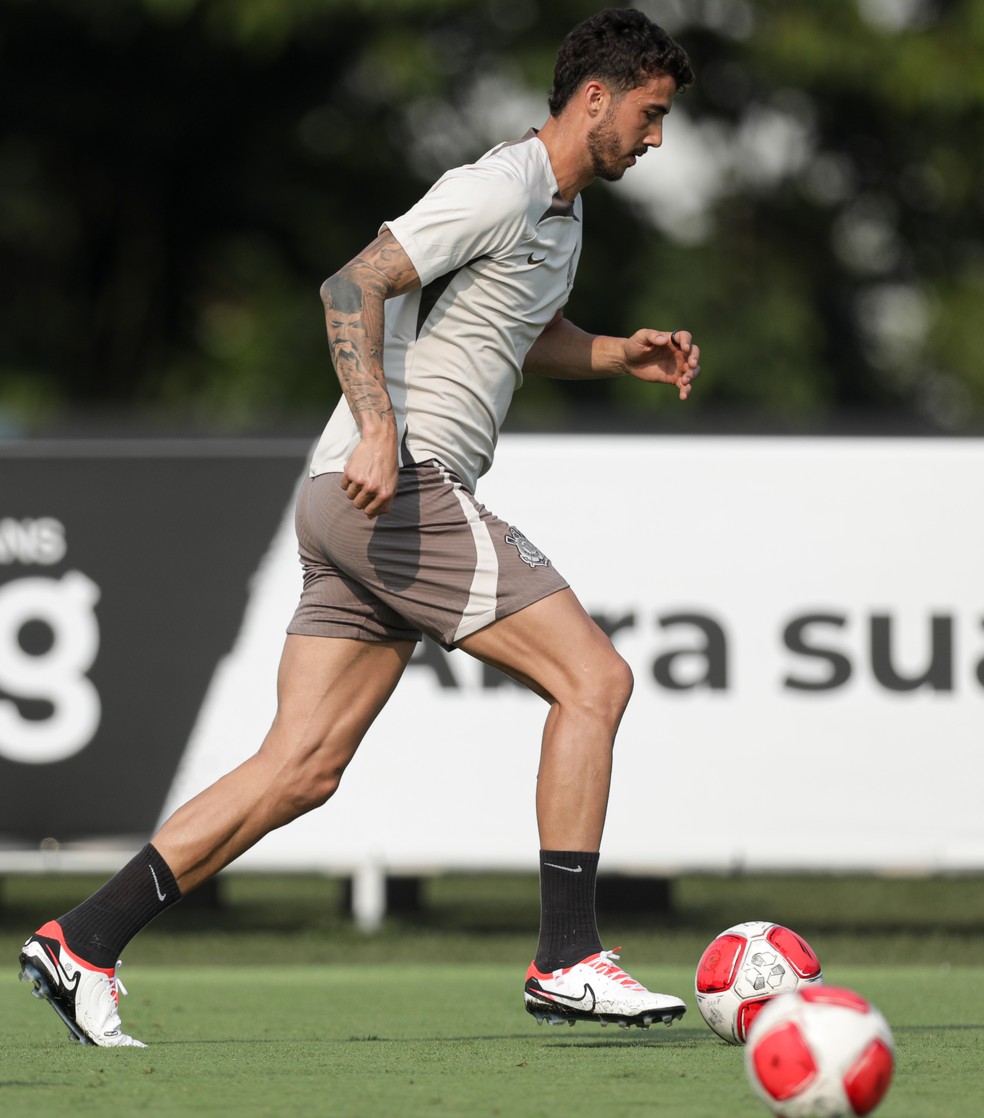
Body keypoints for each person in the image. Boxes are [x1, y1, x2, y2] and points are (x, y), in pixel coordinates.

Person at [18, 8, 700, 1047]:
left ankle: (85, 939)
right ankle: (567, 956)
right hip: (393, 486)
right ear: (595, 98)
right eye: (650, 115)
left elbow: (523, 333)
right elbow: (354, 282)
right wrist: (380, 431)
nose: (656, 139)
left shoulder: (558, 215)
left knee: (302, 765)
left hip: (351, 505)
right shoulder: (503, 183)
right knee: (594, 679)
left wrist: (619, 354)